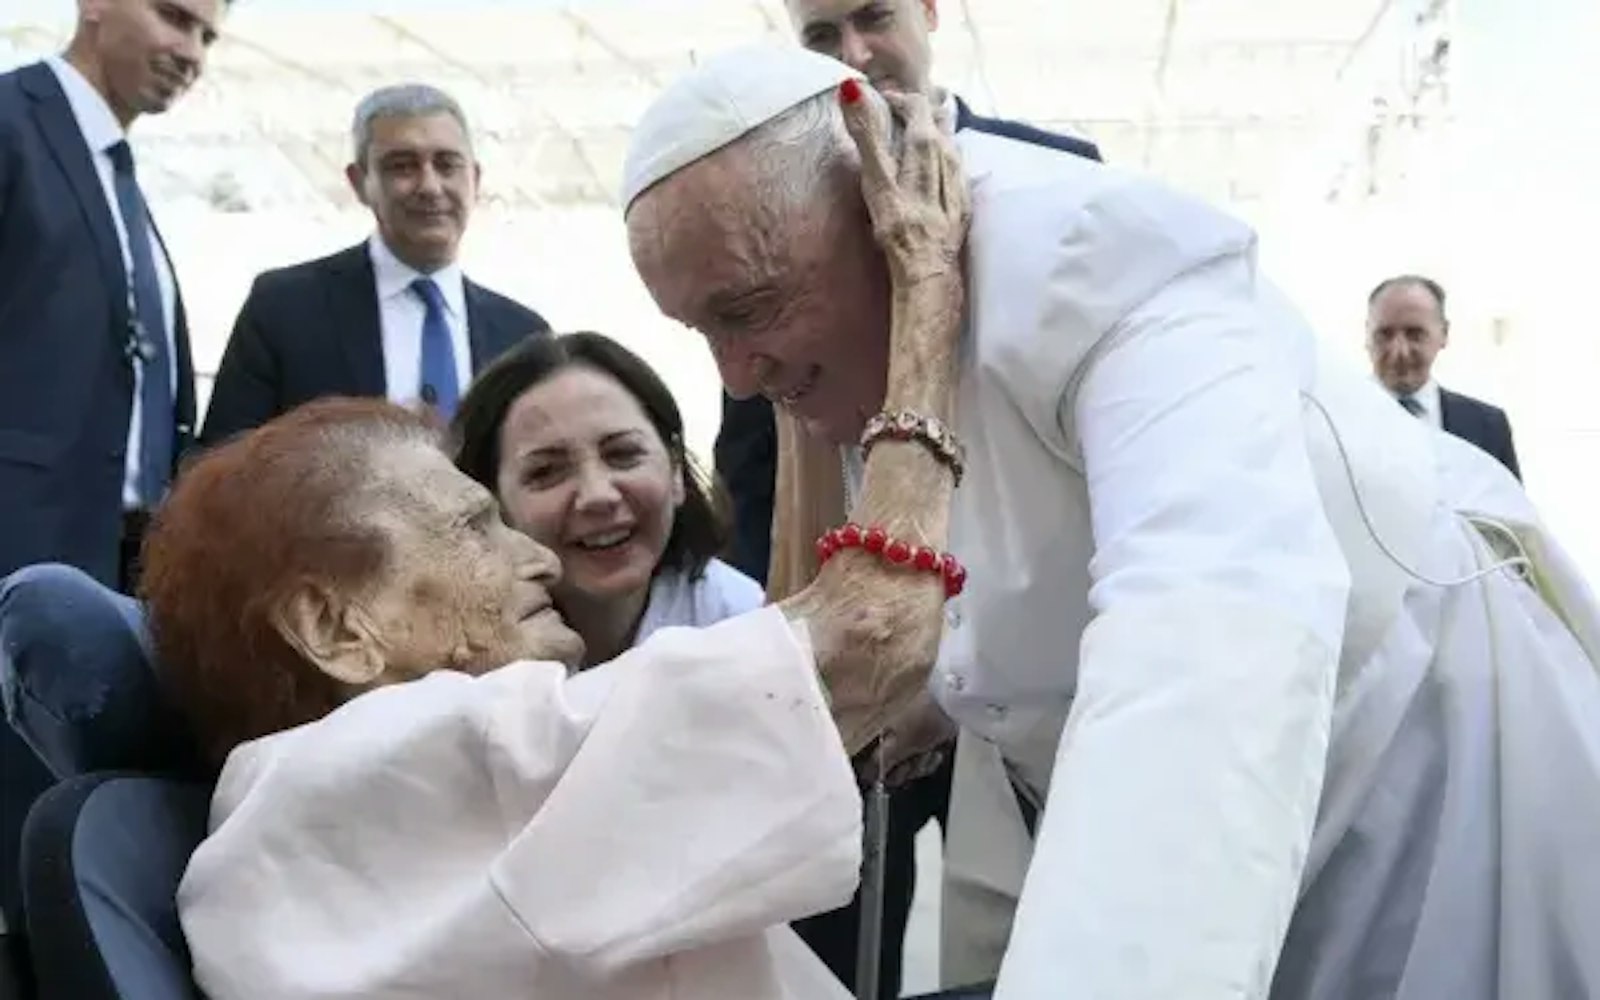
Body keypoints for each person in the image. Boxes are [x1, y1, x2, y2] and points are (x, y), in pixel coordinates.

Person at [622, 46, 1600, 999]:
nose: (733, 373)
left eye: (746, 311)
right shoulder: (856, 327)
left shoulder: (1090, 253)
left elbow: (1212, 618)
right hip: (1212, 828)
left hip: (1409, 772)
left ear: (872, 195)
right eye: (701, 331)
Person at [152, 84, 970, 1000]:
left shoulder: (318, 808)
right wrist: (925, 287)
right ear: (337, 628)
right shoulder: (409, 754)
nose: (540, 555)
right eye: (475, 524)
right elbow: (872, 637)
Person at [0, 0, 228, 962]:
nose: (190, 53)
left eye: (209, 38)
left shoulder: (122, 182)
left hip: (105, 564)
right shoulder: (14, 127)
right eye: (175, 17)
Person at [202, 83, 546, 443]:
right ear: (359, 182)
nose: (430, 186)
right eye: (402, 166)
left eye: (447, 165)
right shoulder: (285, 309)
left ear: (475, 179)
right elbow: (221, 461)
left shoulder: (522, 335)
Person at [452, 331, 762, 666]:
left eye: (623, 454)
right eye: (546, 472)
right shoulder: (452, 659)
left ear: (675, 469)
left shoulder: (745, 625)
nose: (598, 495)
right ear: (489, 503)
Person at [1367, 273, 1521, 479]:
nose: (1399, 351)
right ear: (1367, 335)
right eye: (1385, 334)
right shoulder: (1331, 421)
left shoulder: (1487, 426)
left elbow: (1509, 508)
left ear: (1444, 334)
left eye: (1415, 334)